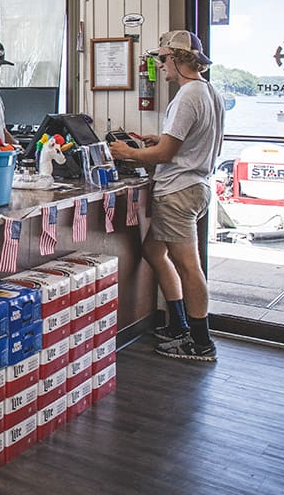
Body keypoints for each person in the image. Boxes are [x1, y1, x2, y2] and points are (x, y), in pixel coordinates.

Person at [109, 29, 224, 363]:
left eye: (162, 58)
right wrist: (157, 140)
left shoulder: (188, 95)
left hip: (178, 191)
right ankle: (178, 324)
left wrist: (126, 152)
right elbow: (182, 141)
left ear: (177, 58)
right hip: (197, 186)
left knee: (189, 266)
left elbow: (165, 155)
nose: (159, 65)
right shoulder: (209, 92)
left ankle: (200, 342)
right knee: (153, 251)